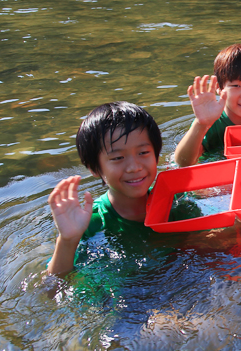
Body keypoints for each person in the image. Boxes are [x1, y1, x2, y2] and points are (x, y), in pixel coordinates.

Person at [47, 102, 164, 276]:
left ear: (156, 155)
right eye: (117, 157)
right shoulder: (90, 223)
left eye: (143, 153)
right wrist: (67, 240)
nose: (134, 167)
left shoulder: (174, 200)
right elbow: (52, 288)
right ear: (95, 168)